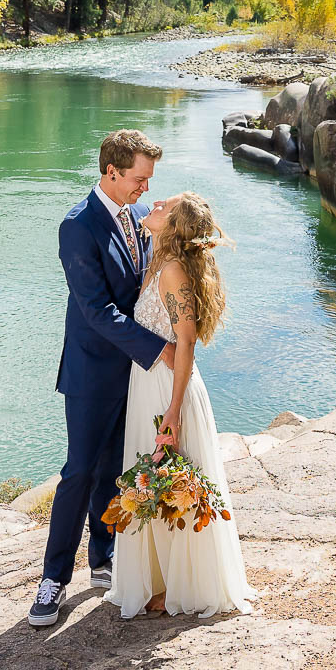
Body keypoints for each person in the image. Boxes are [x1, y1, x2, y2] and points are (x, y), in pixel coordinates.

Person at [28, 129, 175, 628]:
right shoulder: (77, 226)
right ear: (111, 172)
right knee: (80, 471)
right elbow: (96, 310)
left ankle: (103, 557)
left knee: (116, 465)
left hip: (133, 372)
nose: (144, 189)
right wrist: (161, 350)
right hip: (93, 371)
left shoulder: (137, 217)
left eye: (148, 180)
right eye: (138, 179)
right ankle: (52, 579)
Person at [106, 193, 255, 619]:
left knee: (173, 479)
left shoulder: (171, 271)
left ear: (172, 225)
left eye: (163, 205)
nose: (152, 203)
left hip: (168, 389)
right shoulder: (159, 259)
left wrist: (172, 411)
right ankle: (163, 579)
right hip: (150, 382)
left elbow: (185, 340)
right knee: (157, 478)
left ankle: (182, 586)